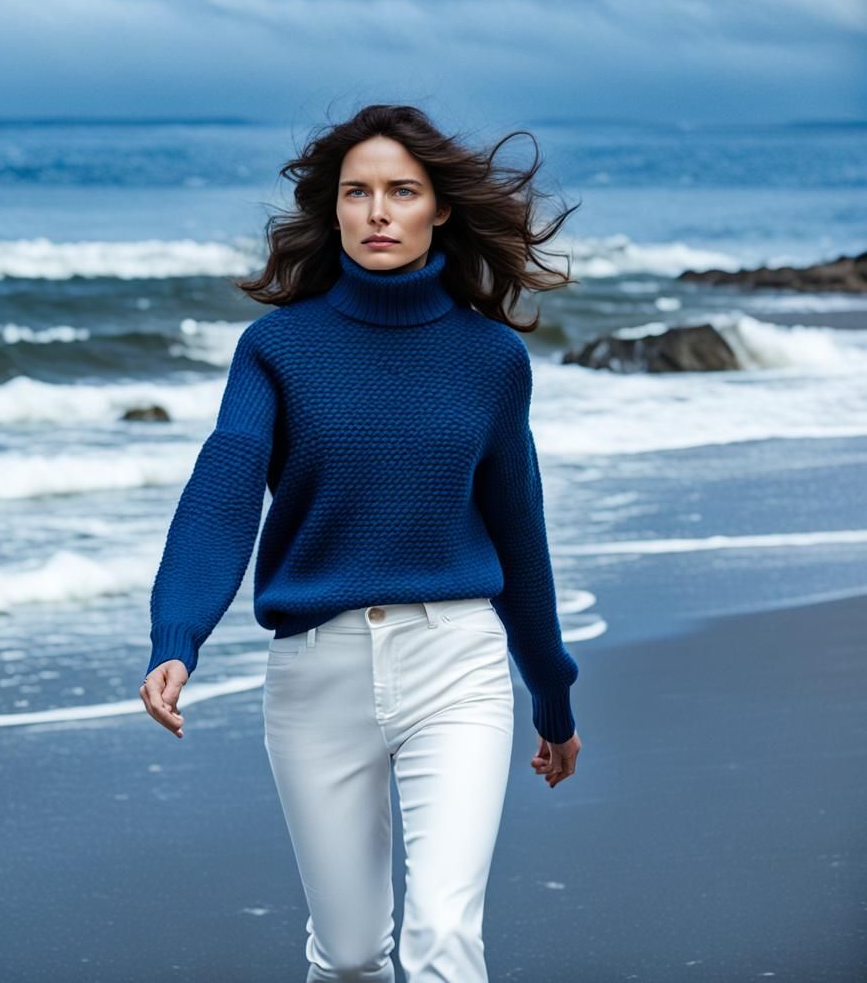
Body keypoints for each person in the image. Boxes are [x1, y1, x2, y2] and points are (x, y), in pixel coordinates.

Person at [139, 103, 583, 983]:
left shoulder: (491, 359)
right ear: (334, 209)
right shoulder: (277, 350)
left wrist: (553, 695)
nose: (379, 211)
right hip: (316, 675)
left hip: (455, 663)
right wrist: (177, 637)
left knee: (444, 939)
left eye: (402, 191)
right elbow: (224, 490)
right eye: (358, 192)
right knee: (348, 957)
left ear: (439, 209)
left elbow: (518, 534)